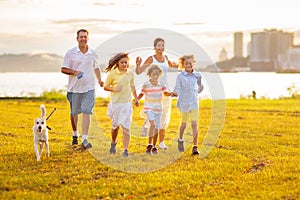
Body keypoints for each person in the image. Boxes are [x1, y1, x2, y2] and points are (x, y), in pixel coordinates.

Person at [61, 29, 104, 149]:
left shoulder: (92, 53)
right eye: (81, 37)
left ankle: (85, 139)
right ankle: (75, 134)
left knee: (86, 111)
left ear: (88, 38)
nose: (83, 39)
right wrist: (75, 72)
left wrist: (100, 80)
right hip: (74, 89)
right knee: (74, 113)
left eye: (85, 37)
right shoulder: (70, 53)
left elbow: (96, 68)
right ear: (77, 39)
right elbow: (63, 69)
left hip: (89, 88)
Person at [135, 37, 177, 149]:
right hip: (153, 91)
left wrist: (186, 63)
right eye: (158, 45)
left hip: (165, 89)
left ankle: (161, 142)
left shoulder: (166, 58)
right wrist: (138, 65)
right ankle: (148, 131)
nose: (161, 47)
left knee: (164, 116)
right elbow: (139, 72)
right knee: (154, 114)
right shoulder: (151, 59)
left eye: (162, 45)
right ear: (154, 47)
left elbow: (175, 64)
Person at [104, 52, 139, 157]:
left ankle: (125, 150)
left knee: (126, 127)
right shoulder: (112, 73)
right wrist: (114, 89)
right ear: (118, 63)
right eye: (122, 62)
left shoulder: (130, 74)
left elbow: (132, 86)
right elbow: (105, 86)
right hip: (115, 104)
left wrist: (136, 98)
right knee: (115, 127)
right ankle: (114, 142)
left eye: (126, 62)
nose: (124, 64)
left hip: (127, 104)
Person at [172, 55, 204, 155]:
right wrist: (175, 93)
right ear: (183, 65)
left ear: (193, 63)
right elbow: (177, 87)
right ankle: (180, 140)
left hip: (194, 102)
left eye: (190, 63)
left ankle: (195, 147)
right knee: (184, 124)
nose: (189, 65)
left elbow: (200, 87)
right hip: (184, 103)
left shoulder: (197, 75)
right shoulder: (180, 76)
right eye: (186, 63)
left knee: (194, 124)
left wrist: (199, 88)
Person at [137, 64, 172, 154]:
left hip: (158, 108)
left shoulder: (161, 84)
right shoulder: (146, 84)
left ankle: (154, 146)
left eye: (157, 74)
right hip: (149, 108)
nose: (155, 76)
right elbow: (141, 94)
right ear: (149, 75)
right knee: (152, 124)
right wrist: (137, 100)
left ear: (159, 75)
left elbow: (165, 93)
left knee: (157, 127)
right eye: (153, 74)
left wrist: (172, 93)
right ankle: (149, 144)